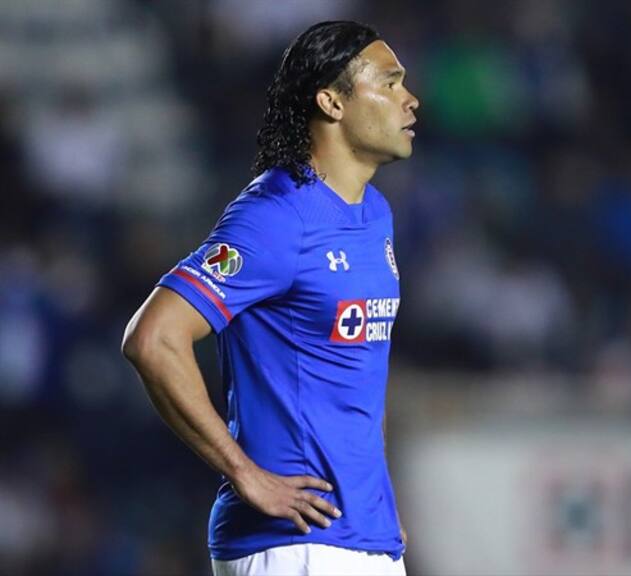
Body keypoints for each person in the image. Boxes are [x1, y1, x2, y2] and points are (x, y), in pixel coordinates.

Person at [121, 20, 419, 576]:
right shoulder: (276, 217)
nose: (411, 99)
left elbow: (353, 373)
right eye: (391, 82)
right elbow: (153, 338)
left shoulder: (374, 214)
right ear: (332, 101)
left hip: (365, 536)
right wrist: (244, 473)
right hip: (293, 544)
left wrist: (377, 499)